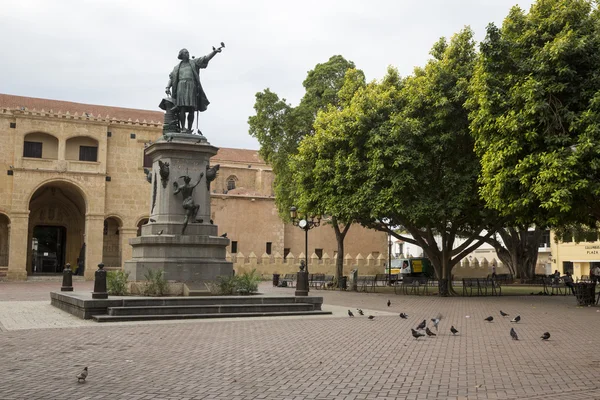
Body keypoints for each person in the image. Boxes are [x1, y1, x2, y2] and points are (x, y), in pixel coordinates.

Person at [166, 47, 221, 133]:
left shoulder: (194, 62)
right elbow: (172, 77)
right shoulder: (177, 67)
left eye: (188, 52)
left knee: (192, 109)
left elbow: (205, 58)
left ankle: (189, 129)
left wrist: (214, 52)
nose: (188, 54)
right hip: (181, 87)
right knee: (182, 108)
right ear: (182, 55)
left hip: (192, 87)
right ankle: (183, 128)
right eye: (186, 53)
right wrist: (167, 87)